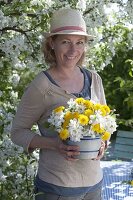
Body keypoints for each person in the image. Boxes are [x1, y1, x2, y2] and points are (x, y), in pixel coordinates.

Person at [11, 8, 107, 200]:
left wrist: (103, 141)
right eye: (65, 42)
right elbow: (17, 132)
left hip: (94, 185)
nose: (73, 51)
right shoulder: (42, 86)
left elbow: (105, 125)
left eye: (79, 42)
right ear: (52, 44)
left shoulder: (94, 79)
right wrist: (54, 144)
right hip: (57, 189)